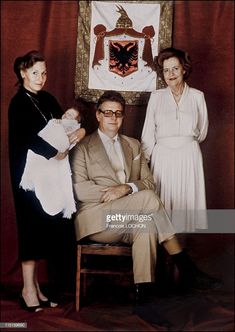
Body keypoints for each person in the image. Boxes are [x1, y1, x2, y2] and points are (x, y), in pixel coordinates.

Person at [70, 90, 219, 309]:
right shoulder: (83, 147)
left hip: (128, 217)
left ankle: (145, 300)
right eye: (108, 112)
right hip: (97, 220)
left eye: (118, 113)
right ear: (98, 115)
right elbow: (80, 190)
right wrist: (116, 193)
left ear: (123, 117)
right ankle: (186, 266)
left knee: (147, 224)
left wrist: (126, 188)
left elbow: (149, 182)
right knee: (148, 200)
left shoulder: (134, 145)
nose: (113, 118)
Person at [8, 50, 85, 312]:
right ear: (23, 73)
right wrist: (56, 151)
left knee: (43, 228)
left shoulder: (48, 98)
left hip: (51, 175)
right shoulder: (18, 103)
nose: (41, 78)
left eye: (44, 72)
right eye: (34, 73)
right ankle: (27, 290)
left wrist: (80, 128)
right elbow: (27, 138)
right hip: (27, 175)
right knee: (29, 229)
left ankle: (36, 288)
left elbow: (66, 124)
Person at [141, 47, 208, 233]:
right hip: (162, 157)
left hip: (189, 156)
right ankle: (165, 256)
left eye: (175, 69)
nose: (171, 74)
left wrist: (185, 144)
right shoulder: (156, 97)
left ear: (184, 69)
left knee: (185, 210)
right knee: (162, 209)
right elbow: (148, 133)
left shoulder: (197, 96)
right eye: (166, 70)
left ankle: (179, 255)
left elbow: (202, 131)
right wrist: (145, 162)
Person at [20, 107, 83, 219]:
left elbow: (69, 140)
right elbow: (46, 132)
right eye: (66, 113)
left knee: (54, 182)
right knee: (42, 180)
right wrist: (54, 124)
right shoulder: (55, 122)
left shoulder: (72, 127)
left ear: (75, 122)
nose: (65, 116)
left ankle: (53, 202)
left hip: (56, 157)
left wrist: (81, 130)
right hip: (44, 155)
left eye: (70, 116)